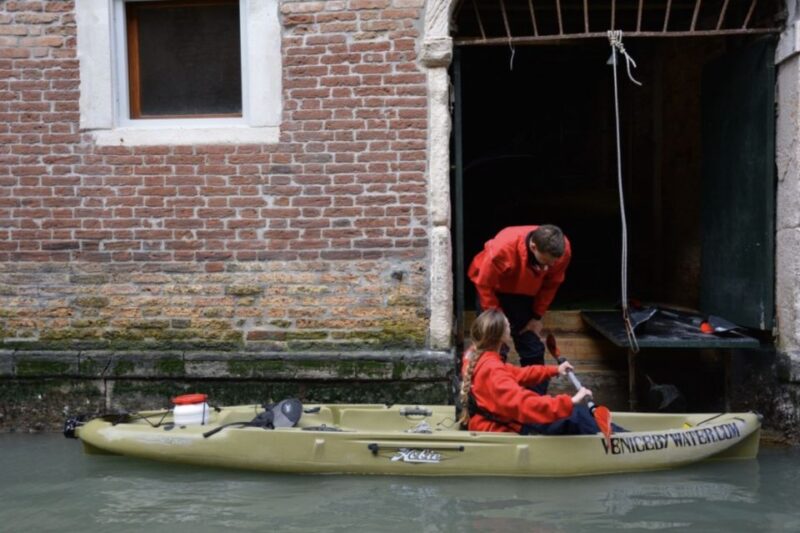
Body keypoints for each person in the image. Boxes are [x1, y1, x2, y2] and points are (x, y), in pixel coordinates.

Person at [459, 309, 601, 435]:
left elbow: (519, 374)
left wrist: (554, 370)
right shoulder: (492, 368)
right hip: (501, 427)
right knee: (575, 417)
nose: (510, 326)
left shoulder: (477, 357)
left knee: (576, 414)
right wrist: (570, 402)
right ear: (500, 335)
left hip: (495, 419)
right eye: (507, 325)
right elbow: (523, 403)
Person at [468, 224, 571, 394]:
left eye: (551, 264)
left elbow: (551, 284)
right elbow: (485, 286)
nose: (547, 268)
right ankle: (492, 394)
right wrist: (499, 322)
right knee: (494, 345)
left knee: (532, 346)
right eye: (544, 262)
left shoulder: (562, 251)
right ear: (533, 247)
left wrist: (537, 316)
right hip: (493, 289)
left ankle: (535, 399)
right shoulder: (502, 248)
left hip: (525, 292)